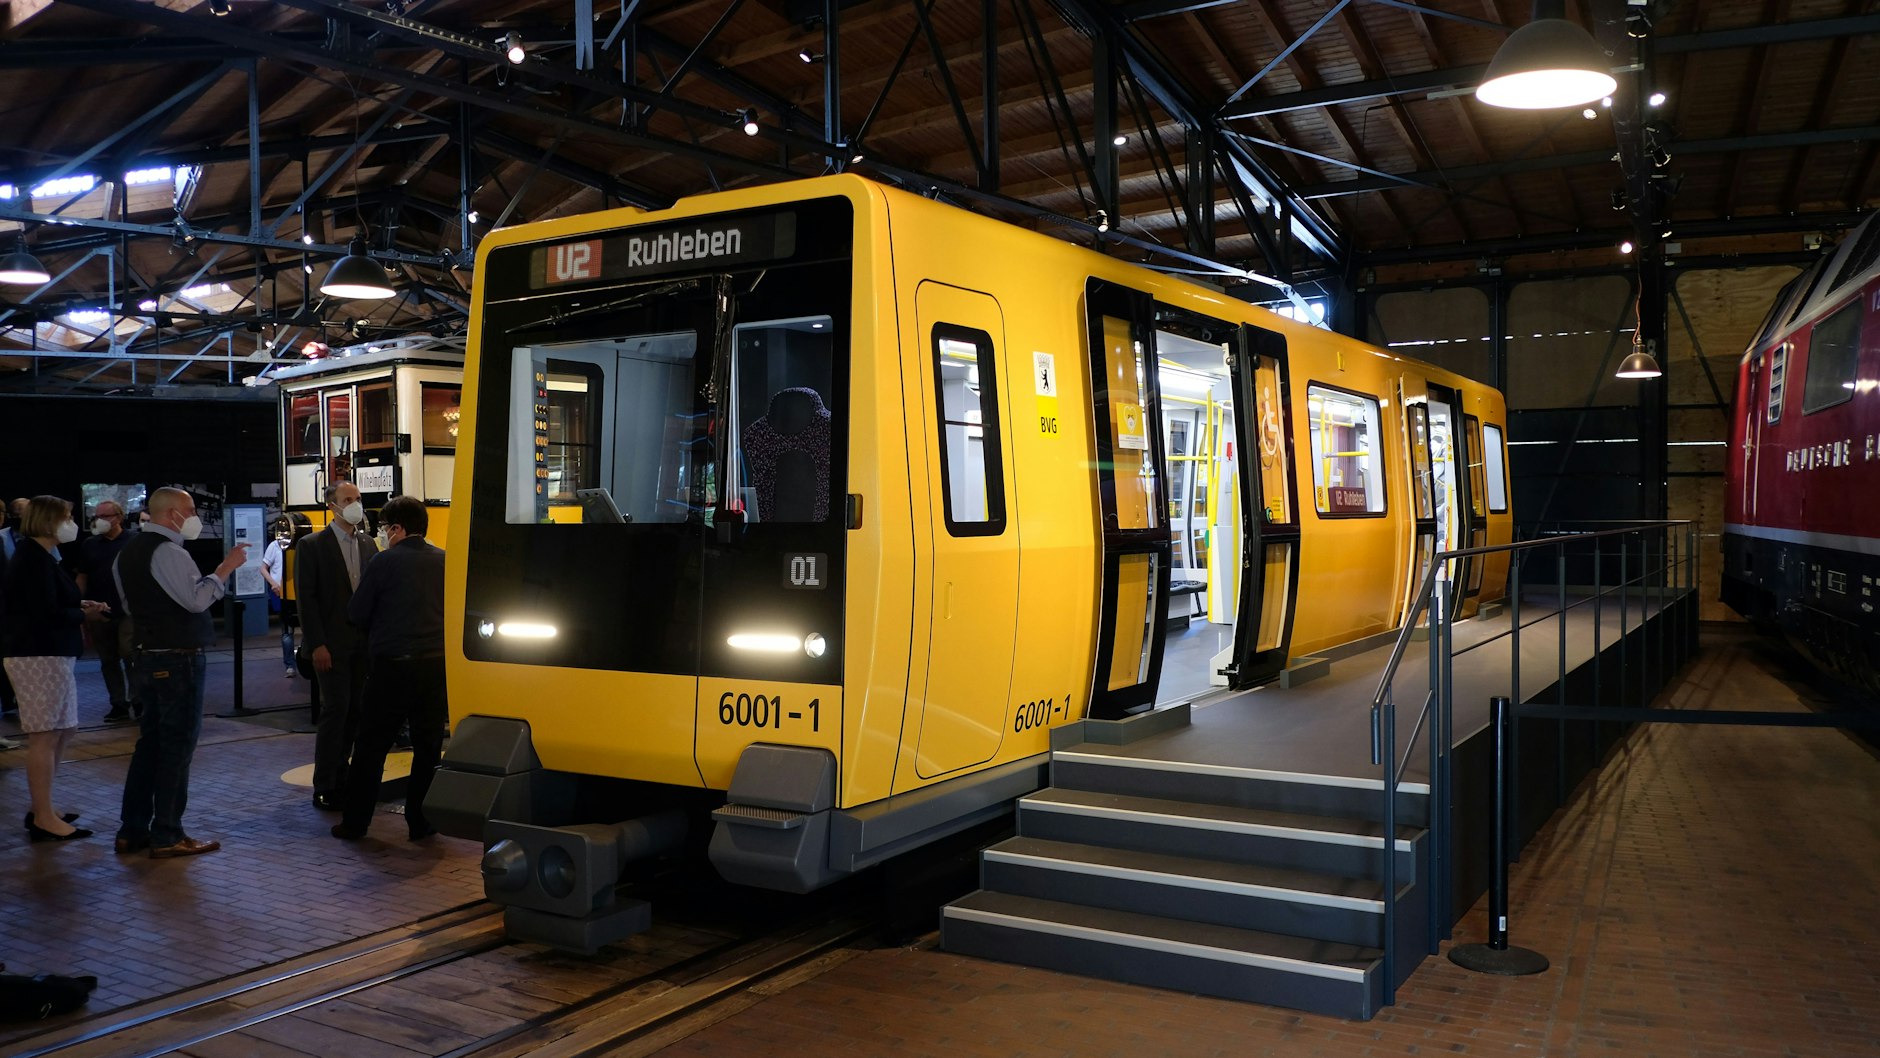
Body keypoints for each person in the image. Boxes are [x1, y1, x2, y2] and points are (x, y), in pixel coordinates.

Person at [113, 487, 246, 858]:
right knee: (177, 746)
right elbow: (196, 600)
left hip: (146, 654)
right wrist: (225, 568)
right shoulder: (170, 551)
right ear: (172, 514)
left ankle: (132, 830)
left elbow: (129, 605)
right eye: (190, 510)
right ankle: (168, 833)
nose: (195, 517)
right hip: (178, 659)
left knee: (150, 744)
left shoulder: (127, 552)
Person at [331, 496, 445, 842]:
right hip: (435, 666)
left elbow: (357, 612)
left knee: (371, 746)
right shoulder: (444, 560)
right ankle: (420, 821)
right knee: (428, 747)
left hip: (391, 667)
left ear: (397, 528)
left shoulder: (384, 561)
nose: (382, 533)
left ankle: (356, 822)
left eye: (384, 527)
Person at [3, 496, 111, 841]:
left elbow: (48, 601)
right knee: (45, 733)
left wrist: (80, 604)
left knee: (63, 728)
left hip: (51, 653)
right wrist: (83, 614)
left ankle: (44, 806)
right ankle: (43, 816)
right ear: (49, 521)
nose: (72, 524)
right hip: (36, 654)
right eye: (67, 518)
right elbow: (43, 612)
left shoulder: (44, 555)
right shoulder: (32, 558)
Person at [296, 482, 377, 812]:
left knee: (356, 711)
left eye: (358, 499)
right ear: (332, 506)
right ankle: (325, 784)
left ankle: (344, 778)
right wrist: (317, 643)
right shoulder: (312, 545)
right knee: (336, 710)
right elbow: (307, 599)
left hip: (362, 644)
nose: (355, 504)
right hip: (331, 644)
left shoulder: (368, 544)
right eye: (348, 499)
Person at [76, 500, 139, 722]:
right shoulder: (90, 544)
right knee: (107, 658)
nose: (100, 520)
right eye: (97, 516)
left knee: (130, 654)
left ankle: (138, 700)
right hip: (99, 611)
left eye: (105, 516)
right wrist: (78, 603)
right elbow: (82, 576)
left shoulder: (133, 540)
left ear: (119, 517)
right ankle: (118, 703)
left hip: (128, 609)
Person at [259, 517, 295, 678]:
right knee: (287, 631)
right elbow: (263, 568)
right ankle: (290, 664)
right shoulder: (274, 546)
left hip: (296, 593)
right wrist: (274, 584)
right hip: (280, 594)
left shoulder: (300, 545)